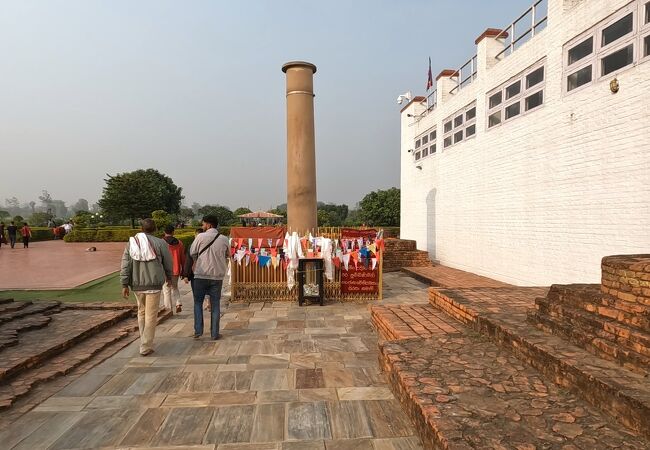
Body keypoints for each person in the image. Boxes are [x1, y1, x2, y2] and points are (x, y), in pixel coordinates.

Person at [120, 218, 172, 356]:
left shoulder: (132, 243)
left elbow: (125, 265)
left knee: (142, 312)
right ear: (155, 229)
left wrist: (124, 283)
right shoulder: (160, 243)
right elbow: (168, 263)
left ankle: (144, 340)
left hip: (137, 284)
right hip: (154, 284)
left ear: (141, 229)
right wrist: (169, 278)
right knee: (150, 316)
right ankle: (145, 345)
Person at [189, 215, 229, 340]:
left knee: (198, 303)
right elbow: (228, 254)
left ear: (209, 225)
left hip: (201, 274)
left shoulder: (200, 237)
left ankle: (198, 331)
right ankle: (214, 333)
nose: (202, 226)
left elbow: (192, 252)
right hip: (217, 276)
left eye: (203, 224)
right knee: (215, 304)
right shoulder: (224, 239)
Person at [161, 224, 186, 314]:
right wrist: (184, 271)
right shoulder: (179, 243)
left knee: (166, 289)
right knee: (175, 287)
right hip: (176, 269)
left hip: (164, 270)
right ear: (173, 232)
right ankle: (178, 302)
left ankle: (168, 309)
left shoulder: (161, 243)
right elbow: (183, 258)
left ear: (164, 232)